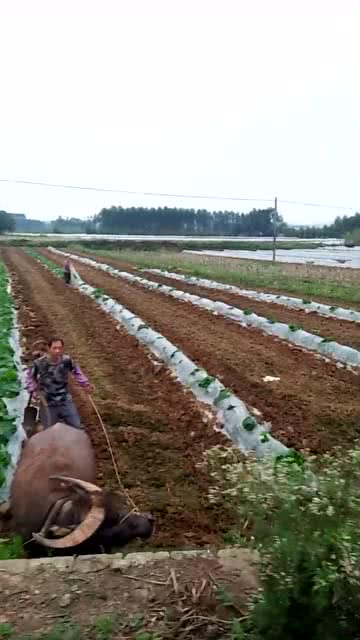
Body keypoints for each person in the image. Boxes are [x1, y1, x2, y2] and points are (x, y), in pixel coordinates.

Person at [25, 337, 93, 430]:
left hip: (65, 399)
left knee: (76, 426)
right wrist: (34, 389)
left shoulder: (67, 360)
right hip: (48, 402)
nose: (57, 351)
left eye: (60, 348)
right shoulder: (39, 363)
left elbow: (77, 372)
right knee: (48, 430)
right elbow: (30, 377)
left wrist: (85, 384)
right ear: (49, 349)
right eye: (55, 348)